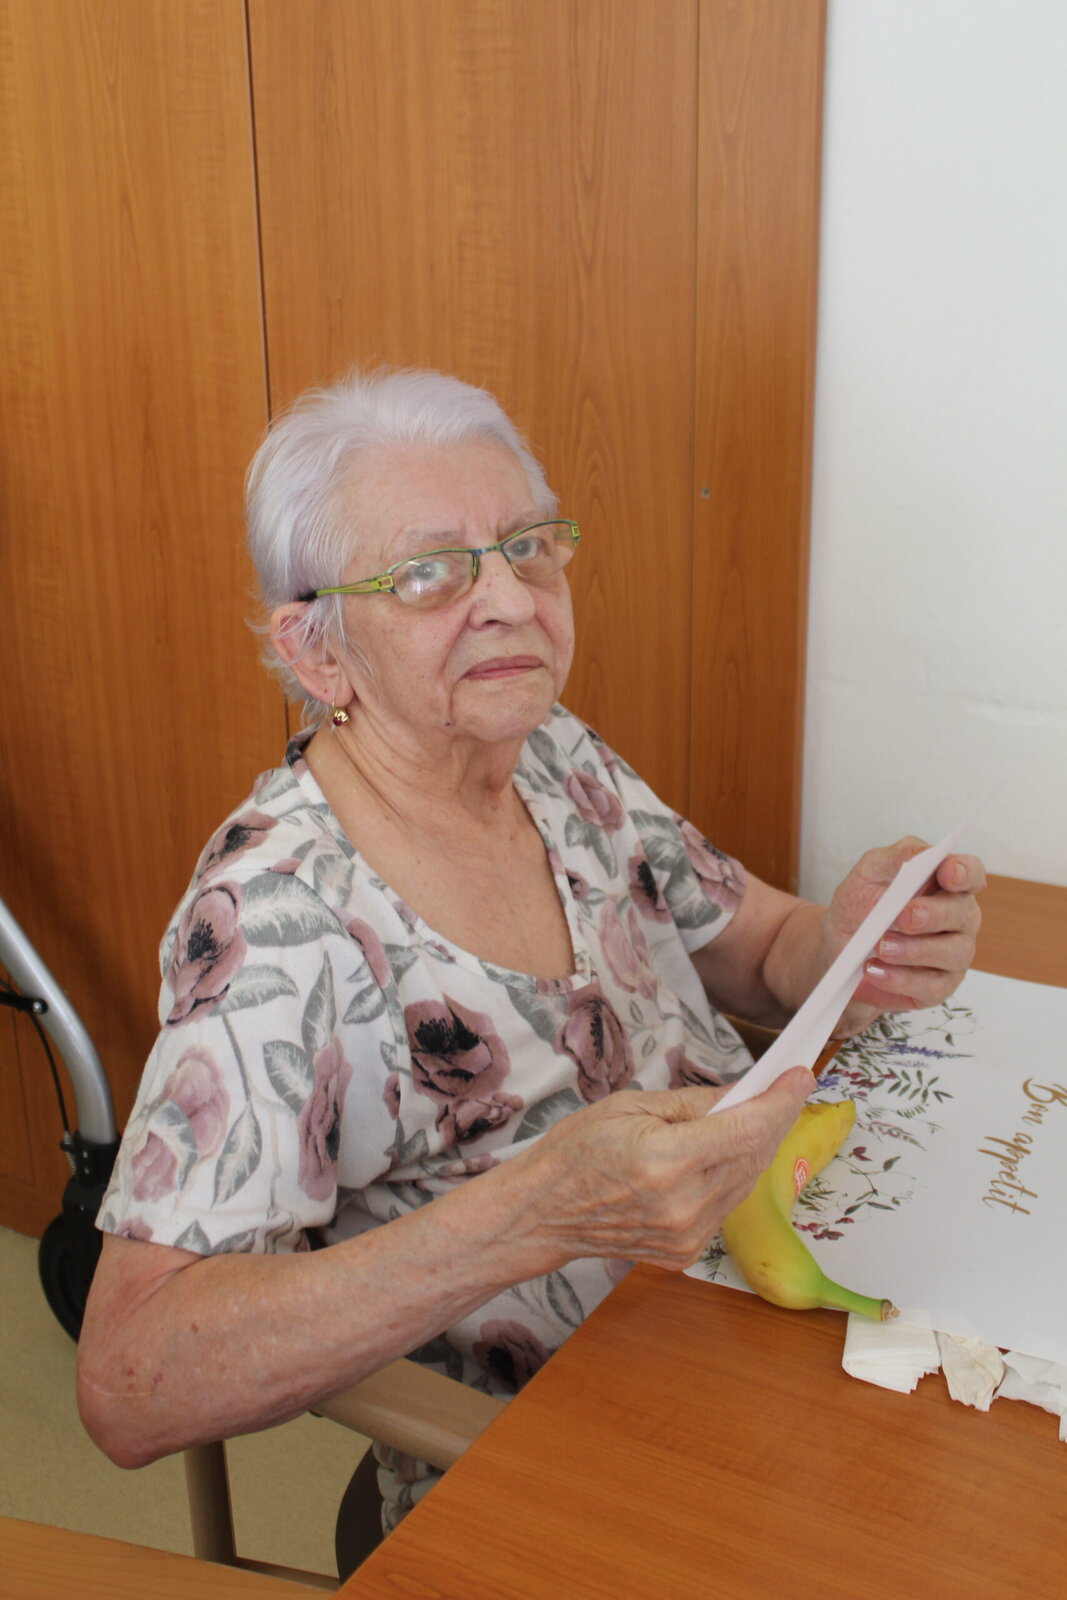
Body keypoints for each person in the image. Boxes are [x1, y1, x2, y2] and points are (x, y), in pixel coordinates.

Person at [77, 367, 983, 1540]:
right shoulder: (277, 921)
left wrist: (851, 936)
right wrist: (540, 1211)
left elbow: (761, 952)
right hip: (566, 1462)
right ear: (318, 651)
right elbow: (130, 1379)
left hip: (772, 1295)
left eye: (525, 546)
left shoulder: (551, 751)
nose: (509, 599)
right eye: (427, 572)